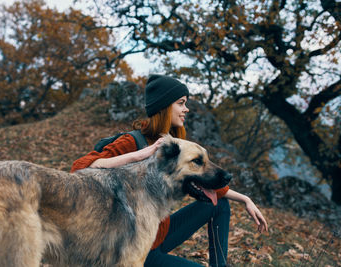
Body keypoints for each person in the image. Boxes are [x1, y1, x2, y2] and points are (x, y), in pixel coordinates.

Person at [70, 74, 268, 267]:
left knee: (219, 204)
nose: (186, 109)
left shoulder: (173, 143)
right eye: (181, 103)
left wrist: (245, 199)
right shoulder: (133, 142)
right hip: (135, 251)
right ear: (164, 107)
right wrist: (137, 156)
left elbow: (196, 179)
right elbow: (79, 168)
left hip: (160, 235)